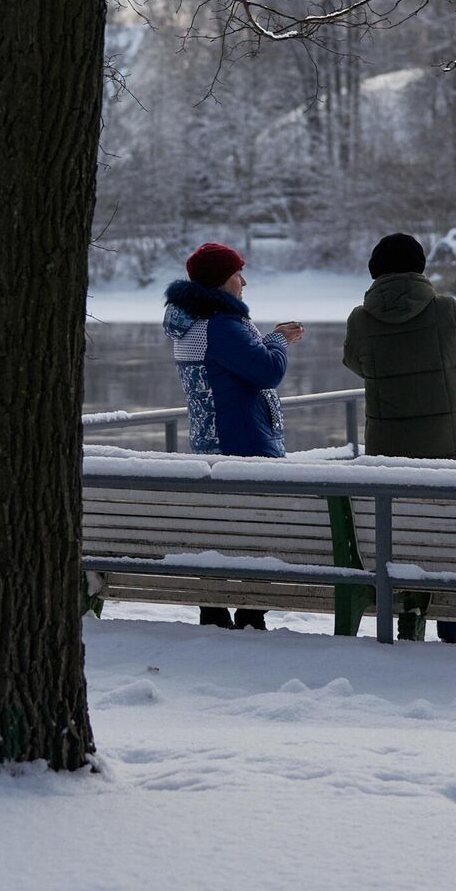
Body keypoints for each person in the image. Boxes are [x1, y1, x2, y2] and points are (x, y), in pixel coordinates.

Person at [343, 232, 456, 644]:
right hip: (447, 450)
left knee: (397, 535)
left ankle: (407, 623)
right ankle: (450, 631)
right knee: (447, 536)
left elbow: (356, 362)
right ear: (421, 267)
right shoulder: (446, 310)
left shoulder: (360, 317)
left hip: (387, 450)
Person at [164, 241, 303, 630]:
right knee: (258, 530)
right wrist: (277, 340)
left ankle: (216, 611)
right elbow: (266, 372)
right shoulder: (221, 326)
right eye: (238, 274)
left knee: (220, 528)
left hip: (212, 442)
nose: (244, 281)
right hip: (243, 444)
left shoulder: (193, 322)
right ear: (223, 281)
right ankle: (248, 615)